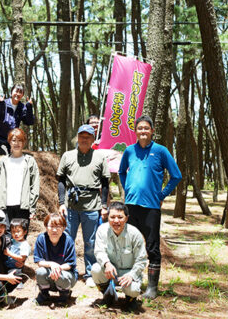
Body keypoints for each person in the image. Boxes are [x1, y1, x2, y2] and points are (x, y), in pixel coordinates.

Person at [118, 115, 182, 299]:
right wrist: (128, 187)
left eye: (146, 128)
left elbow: (176, 175)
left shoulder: (161, 151)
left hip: (151, 207)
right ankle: (131, 282)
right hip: (130, 205)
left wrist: (161, 194)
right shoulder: (129, 151)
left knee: (152, 246)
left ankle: (152, 288)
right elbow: (122, 172)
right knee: (130, 244)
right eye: (140, 128)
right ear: (135, 131)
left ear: (152, 131)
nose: (143, 131)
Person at [57, 124, 110, 287]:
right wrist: (61, 203)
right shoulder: (68, 156)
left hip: (92, 206)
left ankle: (89, 273)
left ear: (93, 139)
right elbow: (60, 180)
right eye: (82, 136)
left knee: (91, 242)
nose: (84, 139)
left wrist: (104, 205)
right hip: (71, 206)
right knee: (67, 239)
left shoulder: (100, 157)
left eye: (88, 137)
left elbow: (105, 181)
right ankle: (68, 269)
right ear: (77, 138)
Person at [91, 202, 147, 311]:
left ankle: (130, 300)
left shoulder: (135, 234)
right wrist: (107, 264)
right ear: (108, 217)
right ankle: (108, 295)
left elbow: (142, 259)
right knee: (96, 269)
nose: (116, 221)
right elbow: (99, 251)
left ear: (126, 218)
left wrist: (131, 275)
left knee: (133, 289)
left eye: (120, 217)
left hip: (128, 273)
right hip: (110, 271)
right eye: (112, 217)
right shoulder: (102, 230)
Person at [0, 128, 40, 232]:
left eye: (20, 140)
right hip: (5, 206)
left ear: (24, 143)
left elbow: (34, 185)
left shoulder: (29, 161)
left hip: (23, 206)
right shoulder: (3, 161)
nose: (16, 143)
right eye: (14, 140)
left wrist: (32, 208)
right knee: (6, 237)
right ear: (9, 142)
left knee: (21, 236)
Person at [33, 213, 78, 305]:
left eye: (58, 226)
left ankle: (64, 295)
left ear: (64, 228)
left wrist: (58, 268)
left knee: (62, 276)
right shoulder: (41, 239)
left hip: (66, 274)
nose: (54, 230)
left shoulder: (68, 240)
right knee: (40, 272)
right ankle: (44, 294)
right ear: (46, 227)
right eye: (51, 226)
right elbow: (39, 261)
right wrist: (52, 264)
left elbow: (70, 264)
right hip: (49, 273)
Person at [0, 84, 34, 156]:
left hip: (11, 140)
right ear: (11, 92)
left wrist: (29, 107)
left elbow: (29, 121)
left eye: (20, 92)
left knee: (14, 155)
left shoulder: (22, 107)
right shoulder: (3, 103)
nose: (18, 94)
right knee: (4, 155)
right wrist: (0, 104)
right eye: (16, 91)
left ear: (22, 95)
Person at [4, 218, 31, 289]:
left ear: (25, 232)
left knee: (16, 273)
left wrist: (9, 254)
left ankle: (19, 283)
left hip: (15, 266)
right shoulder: (11, 241)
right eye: (13, 231)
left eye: (18, 231)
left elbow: (22, 258)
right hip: (6, 265)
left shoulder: (24, 244)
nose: (16, 234)